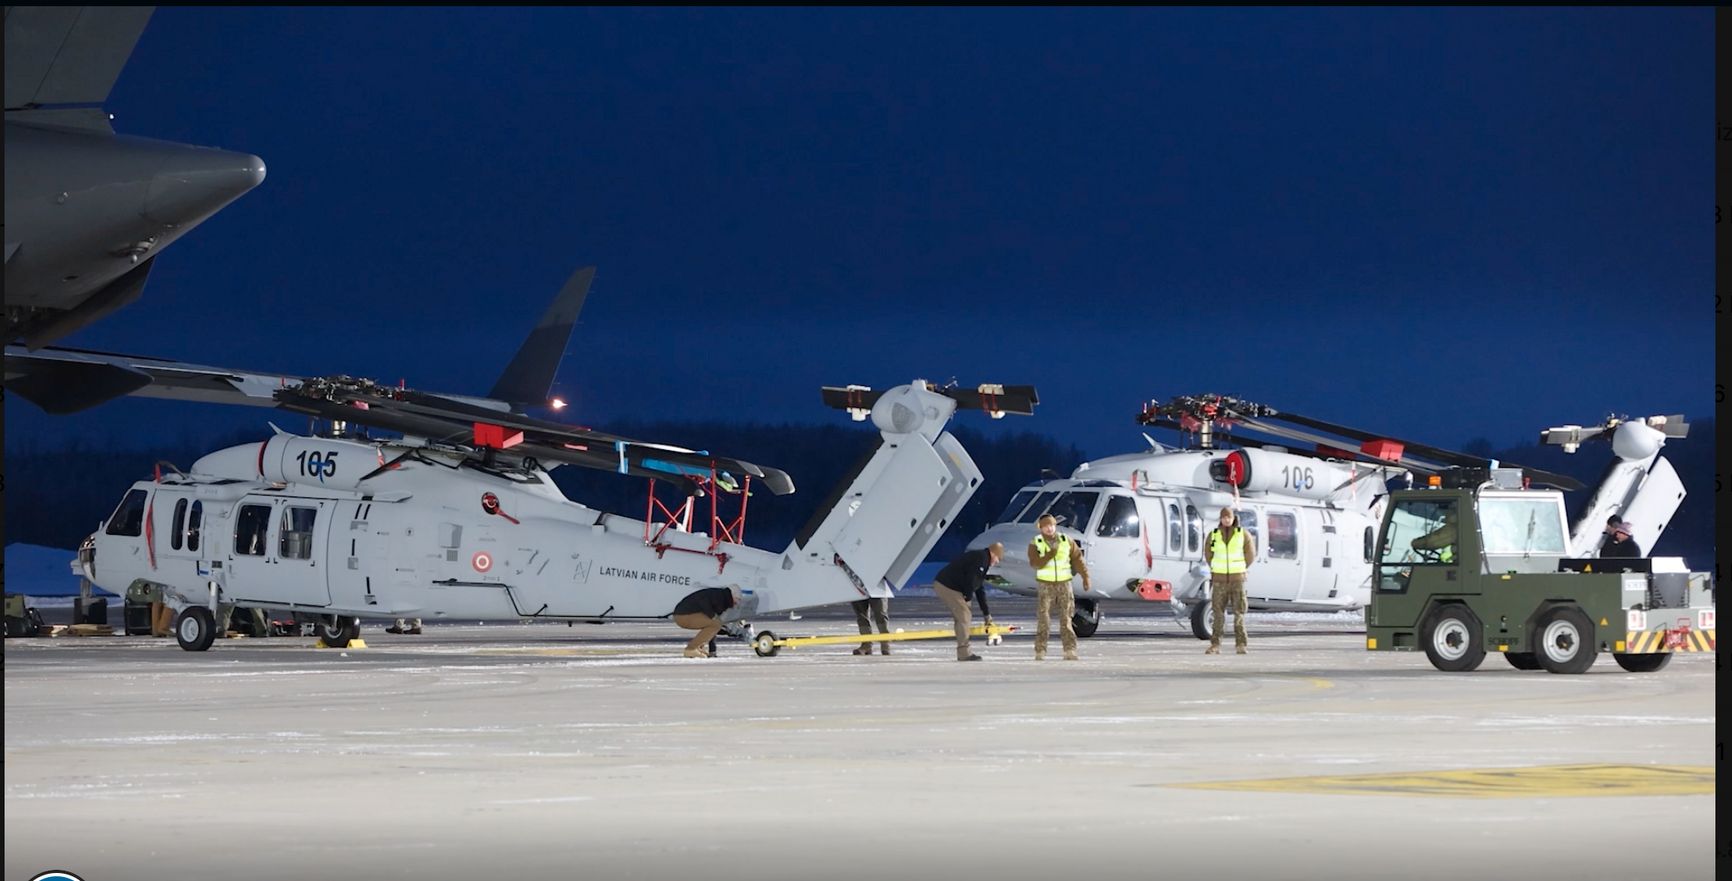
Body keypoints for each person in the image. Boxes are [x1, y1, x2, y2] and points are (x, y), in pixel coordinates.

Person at [1028, 515, 1089, 660]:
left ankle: (1070, 650)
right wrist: (1049, 555)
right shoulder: (1036, 542)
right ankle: (1040, 650)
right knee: (1044, 619)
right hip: (1045, 584)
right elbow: (1034, 563)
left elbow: (1077, 559)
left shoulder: (1066, 540)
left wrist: (1085, 576)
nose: (1049, 528)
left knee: (1066, 618)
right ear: (1041, 528)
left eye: (1052, 525)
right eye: (1046, 526)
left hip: (1064, 583)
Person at [932, 542, 1004, 661]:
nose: (997, 562)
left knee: (964, 616)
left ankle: (963, 650)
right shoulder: (981, 558)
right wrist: (967, 597)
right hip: (946, 585)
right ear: (993, 553)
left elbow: (979, 588)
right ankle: (964, 653)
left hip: (954, 587)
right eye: (998, 558)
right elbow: (970, 580)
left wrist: (986, 614)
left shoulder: (984, 561)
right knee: (964, 616)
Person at [1203, 507, 1256, 655]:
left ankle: (1241, 644)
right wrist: (1214, 565)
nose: (1226, 519)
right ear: (1220, 519)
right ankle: (1215, 644)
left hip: (1237, 579)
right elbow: (1208, 553)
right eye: (1224, 517)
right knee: (1218, 613)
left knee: (1239, 613)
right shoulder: (1213, 535)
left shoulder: (1242, 534)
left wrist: (1242, 567)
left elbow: (1250, 553)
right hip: (1219, 579)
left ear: (1233, 519)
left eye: (1229, 517)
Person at [671, 586, 740, 658]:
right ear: (732, 595)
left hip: (683, 614)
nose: (736, 603)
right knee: (715, 624)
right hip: (683, 615)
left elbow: (713, 627)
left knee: (715, 624)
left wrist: (712, 650)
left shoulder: (721, 596)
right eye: (737, 599)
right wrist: (712, 615)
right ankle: (691, 649)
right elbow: (703, 602)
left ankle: (698, 648)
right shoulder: (719, 596)